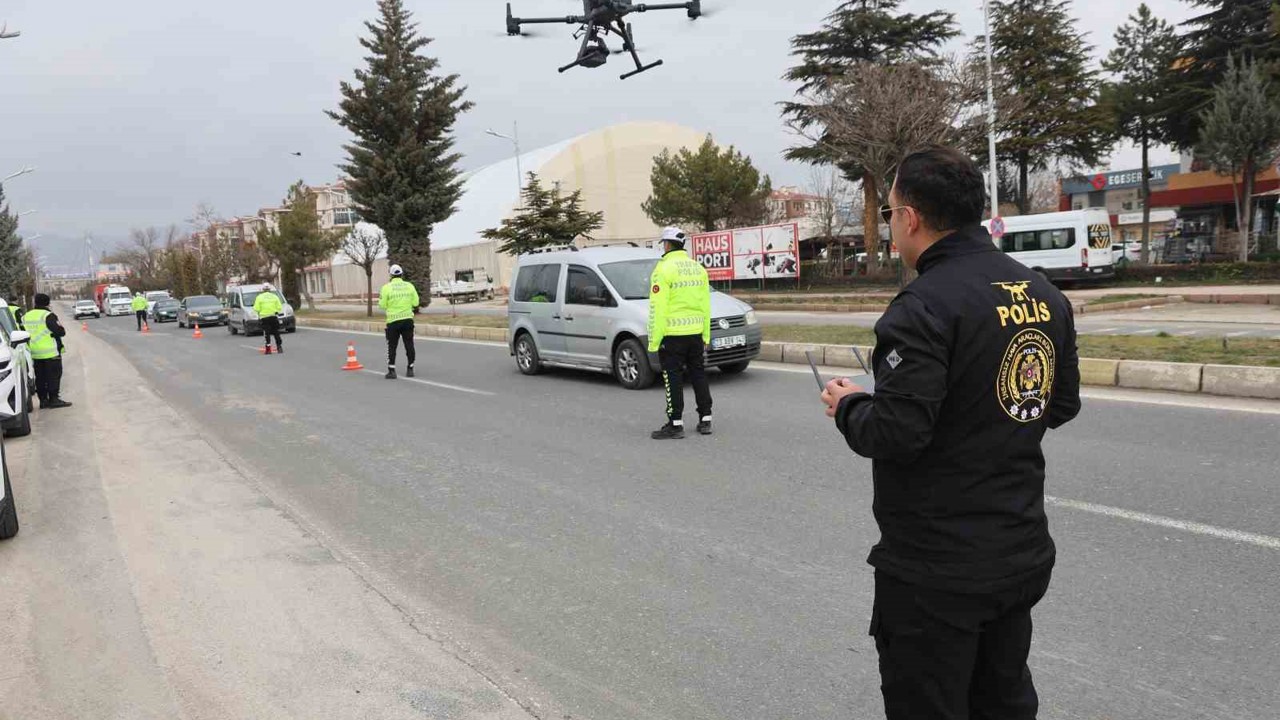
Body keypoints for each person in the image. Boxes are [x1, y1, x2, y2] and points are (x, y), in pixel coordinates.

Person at [819, 146, 1080, 720]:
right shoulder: (1042, 293)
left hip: (937, 571)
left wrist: (848, 407)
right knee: (1003, 701)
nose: (890, 229)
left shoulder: (922, 306)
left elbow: (897, 432)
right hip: (1018, 550)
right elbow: (1057, 405)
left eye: (889, 215)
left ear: (910, 216)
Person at [647, 226, 713, 439]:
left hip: (673, 334)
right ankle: (705, 419)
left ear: (666, 245)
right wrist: (705, 335)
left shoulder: (663, 270)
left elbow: (658, 308)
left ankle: (675, 424)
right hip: (695, 332)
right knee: (698, 374)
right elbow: (705, 304)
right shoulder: (698, 268)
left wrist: (654, 341)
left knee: (672, 378)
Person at [22, 293, 72, 409]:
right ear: (48, 303)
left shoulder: (26, 316)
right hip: (50, 352)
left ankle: (43, 401)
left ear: (35, 302)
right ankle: (54, 399)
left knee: (40, 377)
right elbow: (60, 332)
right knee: (53, 376)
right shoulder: (48, 315)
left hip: (34, 353)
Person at [378, 264, 420, 379]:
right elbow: (416, 303)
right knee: (409, 344)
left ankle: (392, 371)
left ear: (391, 275)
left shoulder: (386, 287)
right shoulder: (410, 286)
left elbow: (382, 304)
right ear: (401, 274)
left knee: (392, 346)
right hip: (407, 320)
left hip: (393, 321)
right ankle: (410, 369)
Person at [253, 284, 284, 355]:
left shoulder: (259, 297)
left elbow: (256, 308)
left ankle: (268, 350)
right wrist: (275, 310)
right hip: (273, 316)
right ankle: (279, 347)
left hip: (264, 317)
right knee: (276, 332)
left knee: (267, 333)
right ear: (270, 290)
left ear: (262, 290)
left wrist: (260, 311)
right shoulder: (274, 297)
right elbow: (279, 307)